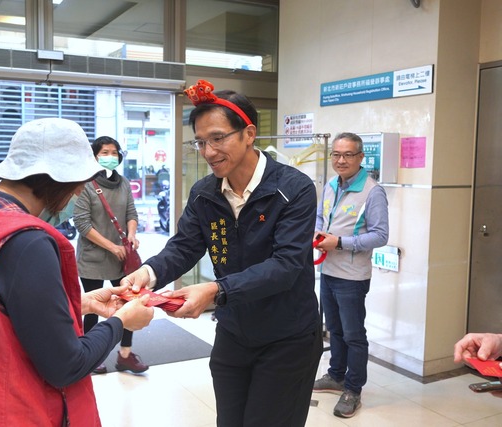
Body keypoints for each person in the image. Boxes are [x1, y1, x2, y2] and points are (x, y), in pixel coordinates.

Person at [0, 118, 154, 426]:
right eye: (77, 186)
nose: (77, 194)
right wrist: (121, 321)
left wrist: (81, 304)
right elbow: (66, 365)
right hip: (9, 411)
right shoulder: (26, 242)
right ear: (56, 179)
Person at [122, 79, 323, 427]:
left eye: (218, 138)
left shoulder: (293, 189)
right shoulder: (205, 193)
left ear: (248, 134)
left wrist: (216, 290)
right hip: (234, 332)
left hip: (287, 336)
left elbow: (286, 265)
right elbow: (185, 245)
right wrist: (148, 273)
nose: (208, 151)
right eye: (201, 141)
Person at [312, 132, 389, 418]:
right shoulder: (331, 185)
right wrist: (317, 232)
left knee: (354, 334)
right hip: (328, 270)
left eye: (348, 155)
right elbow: (321, 217)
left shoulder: (372, 191)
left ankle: (353, 389)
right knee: (335, 329)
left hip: (353, 276)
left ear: (360, 157)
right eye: (336, 154)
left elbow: (380, 235)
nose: (341, 160)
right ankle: (336, 375)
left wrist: (340, 243)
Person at [74, 136, 147, 374]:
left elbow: (131, 213)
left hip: (122, 260)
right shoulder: (85, 184)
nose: (110, 156)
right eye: (104, 152)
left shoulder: (123, 182)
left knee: (127, 303)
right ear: (94, 156)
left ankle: (125, 354)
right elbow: (82, 224)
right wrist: (112, 246)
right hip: (92, 259)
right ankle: (90, 356)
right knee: (93, 308)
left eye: (114, 152)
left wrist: (132, 235)